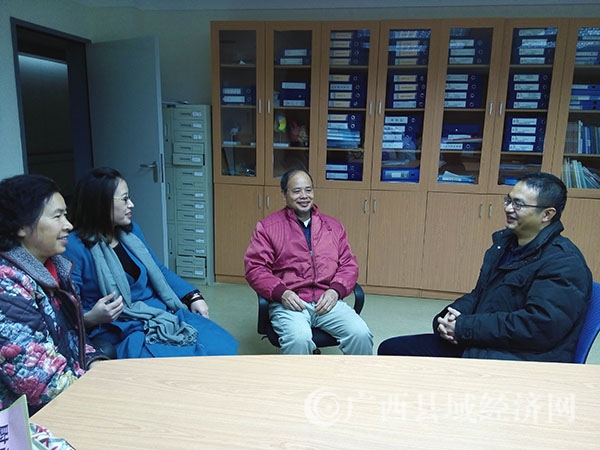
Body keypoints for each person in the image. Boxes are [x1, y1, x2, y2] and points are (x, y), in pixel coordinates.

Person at [378, 172, 592, 363]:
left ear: (547, 214)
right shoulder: (506, 245)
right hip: (491, 343)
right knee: (392, 348)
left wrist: (464, 327)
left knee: (396, 353)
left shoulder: (564, 262)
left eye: (518, 204)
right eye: (508, 200)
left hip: (524, 359)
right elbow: (480, 295)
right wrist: (449, 318)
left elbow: (538, 327)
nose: (508, 208)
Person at [63, 167, 238, 358]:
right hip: (121, 327)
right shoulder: (74, 247)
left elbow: (158, 271)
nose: (131, 204)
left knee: (222, 347)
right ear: (101, 203)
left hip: (158, 312)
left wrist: (193, 295)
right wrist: (91, 318)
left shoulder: (130, 232)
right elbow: (67, 308)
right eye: (124, 199)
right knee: (182, 364)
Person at [0, 174, 107, 414]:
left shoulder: (54, 267)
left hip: (65, 391)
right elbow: (38, 382)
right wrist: (100, 391)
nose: (68, 225)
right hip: (23, 416)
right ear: (21, 226)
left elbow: (74, 337)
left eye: (65, 215)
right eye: (57, 216)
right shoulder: (6, 284)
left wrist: (95, 362)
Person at [244, 168, 373, 355]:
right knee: (299, 338)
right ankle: (300, 376)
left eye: (308, 190)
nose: (304, 196)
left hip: (327, 301)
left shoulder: (333, 227)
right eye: (296, 191)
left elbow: (348, 264)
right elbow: (255, 268)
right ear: (284, 195)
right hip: (290, 302)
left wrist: (336, 290)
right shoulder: (268, 228)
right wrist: (282, 293)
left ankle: (354, 375)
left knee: (360, 334)